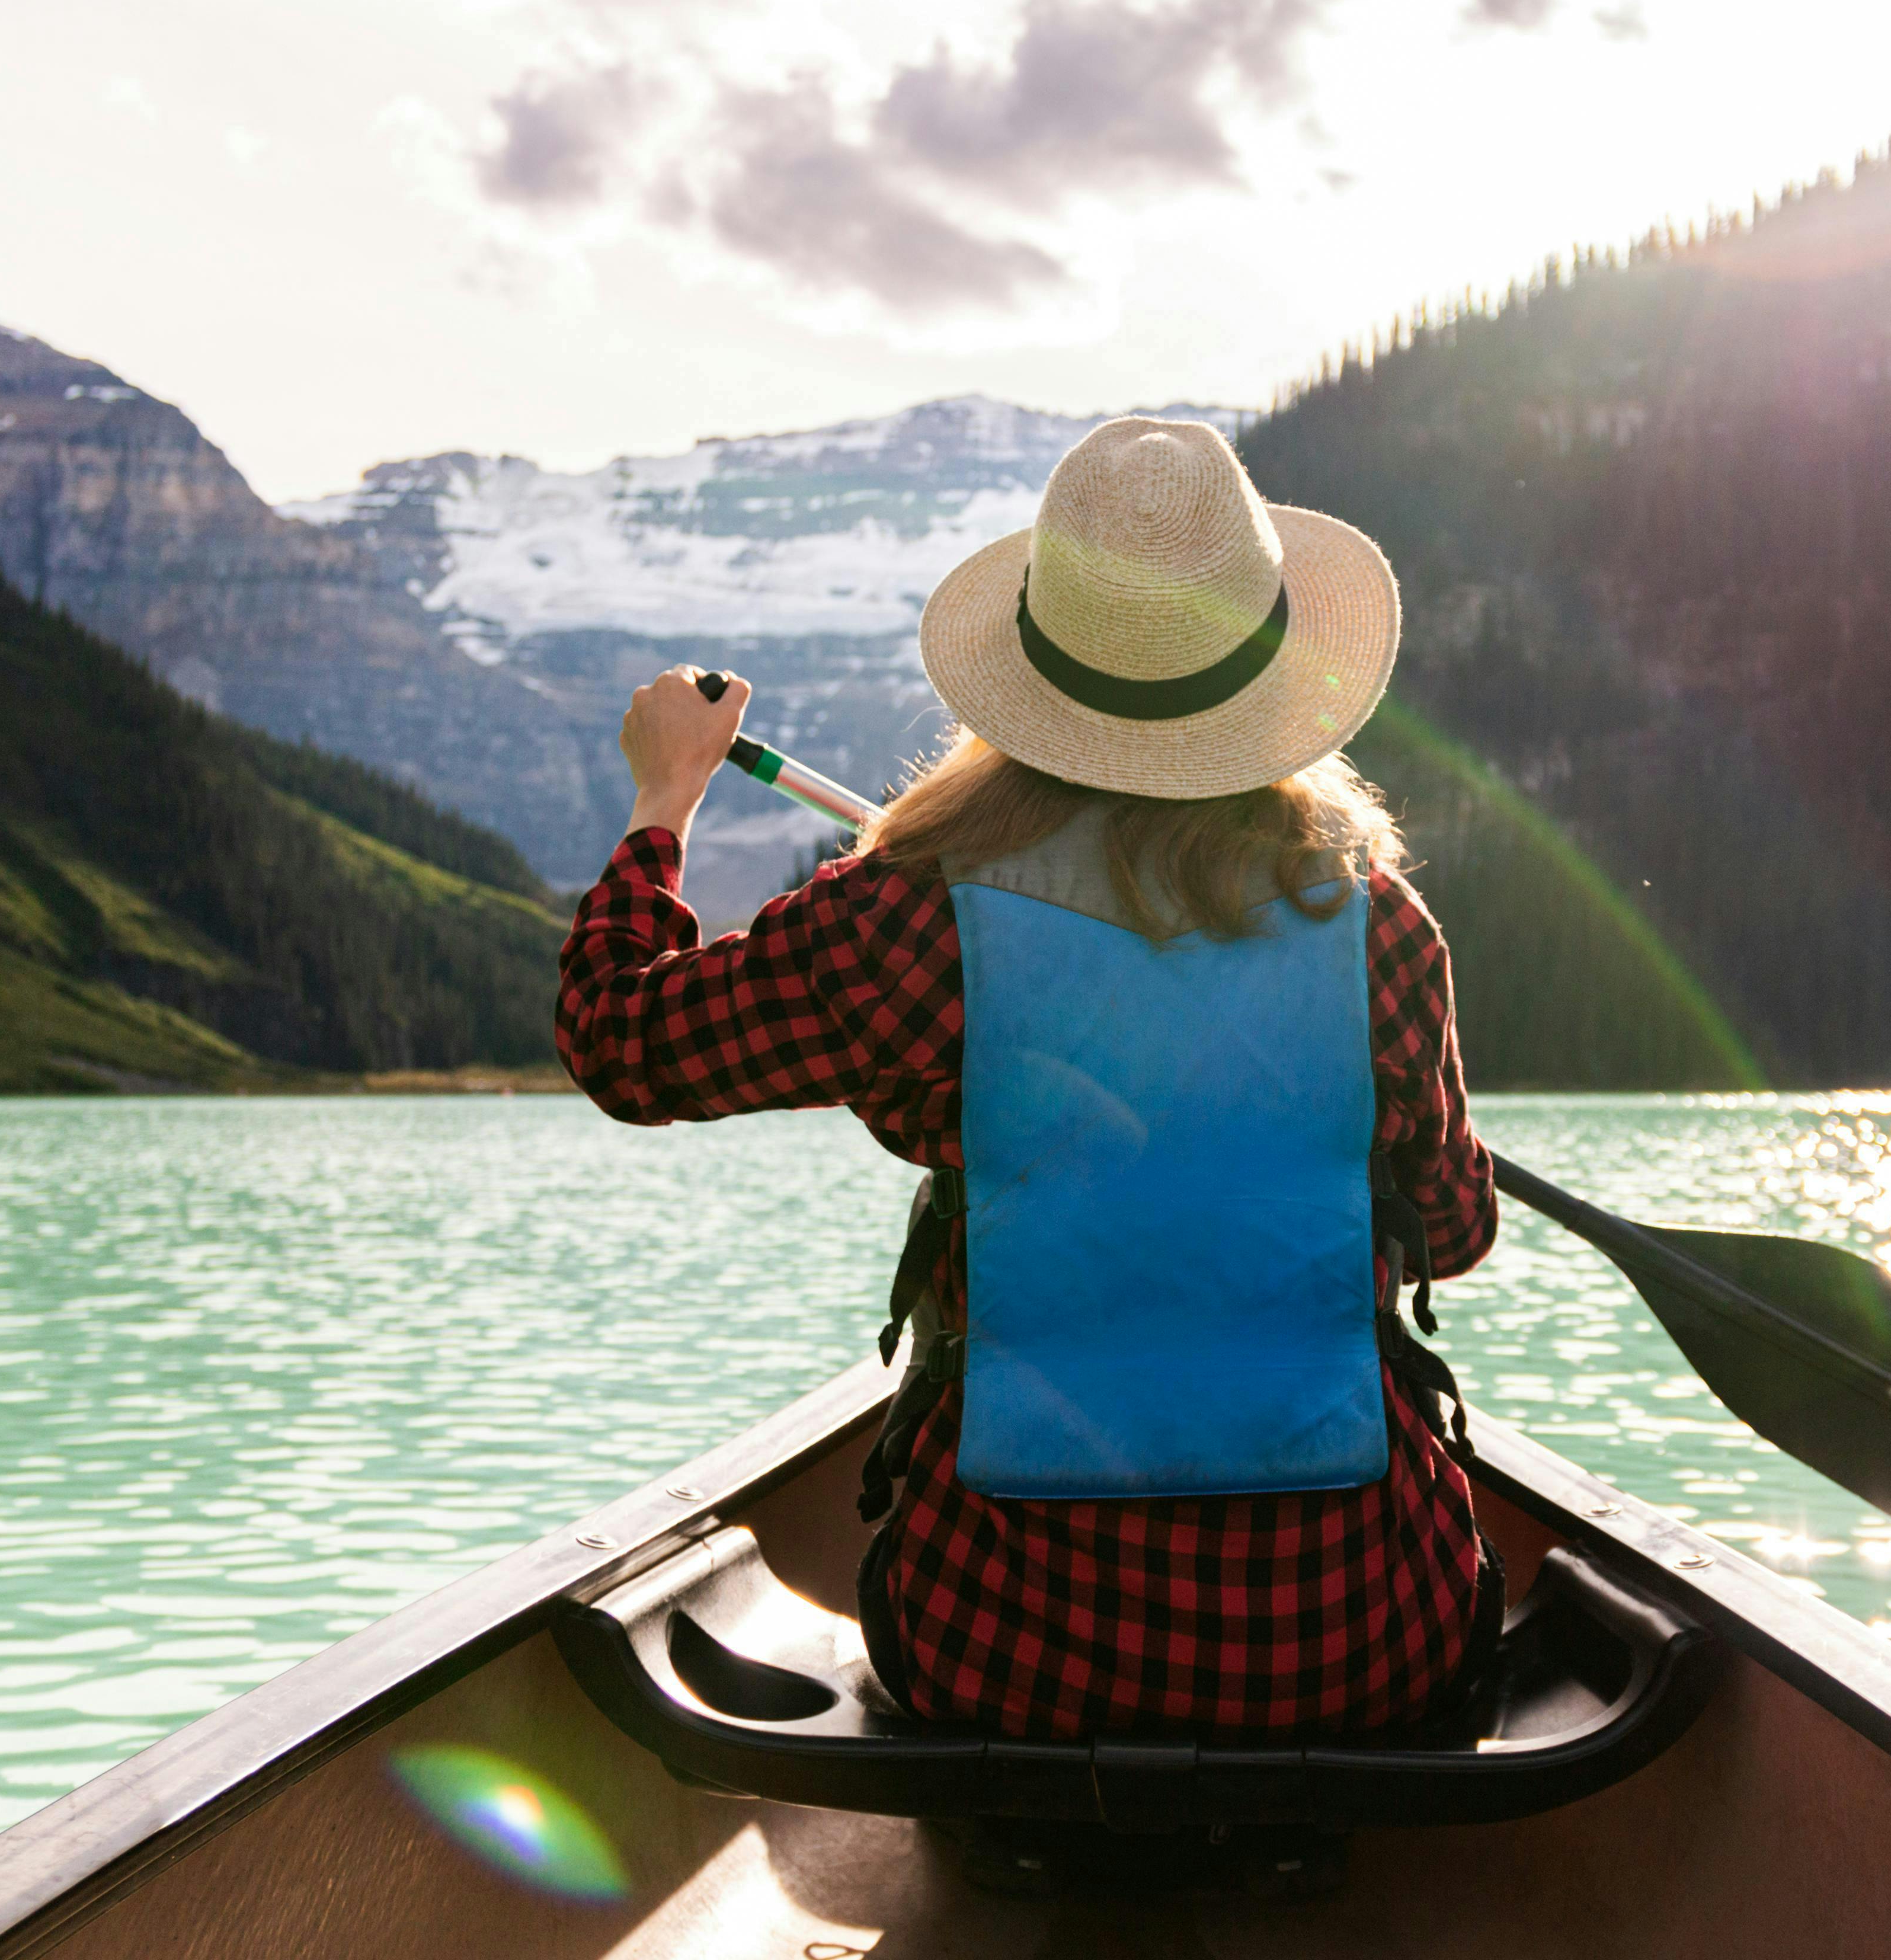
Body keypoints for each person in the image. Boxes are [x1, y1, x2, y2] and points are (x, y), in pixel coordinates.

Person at [557, 416, 1498, 1746]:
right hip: (1362, 1637)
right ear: (1269, 676)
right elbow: (1452, 1235)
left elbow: (620, 1041)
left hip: (1009, 1653)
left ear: (1032, 680)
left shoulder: (899, 921)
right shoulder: (1384, 932)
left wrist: (666, 799)